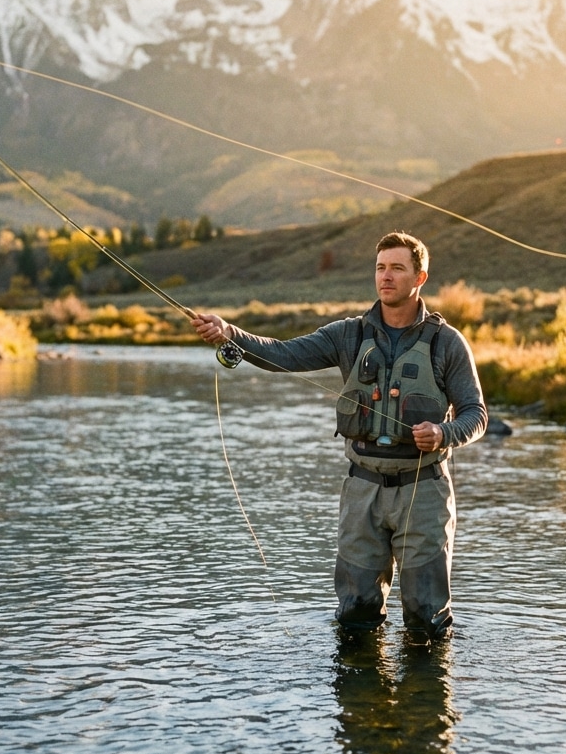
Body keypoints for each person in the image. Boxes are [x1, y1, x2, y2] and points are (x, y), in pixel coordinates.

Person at [191, 231, 487, 640]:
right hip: (361, 491)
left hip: (424, 493)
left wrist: (442, 432)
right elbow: (284, 354)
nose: (386, 277)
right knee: (356, 616)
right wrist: (231, 334)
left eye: (397, 268)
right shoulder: (347, 334)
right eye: (380, 268)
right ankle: (360, 701)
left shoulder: (447, 343)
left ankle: (424, 701)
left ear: (420, 277)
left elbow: (477, 415)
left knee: (426, 619)